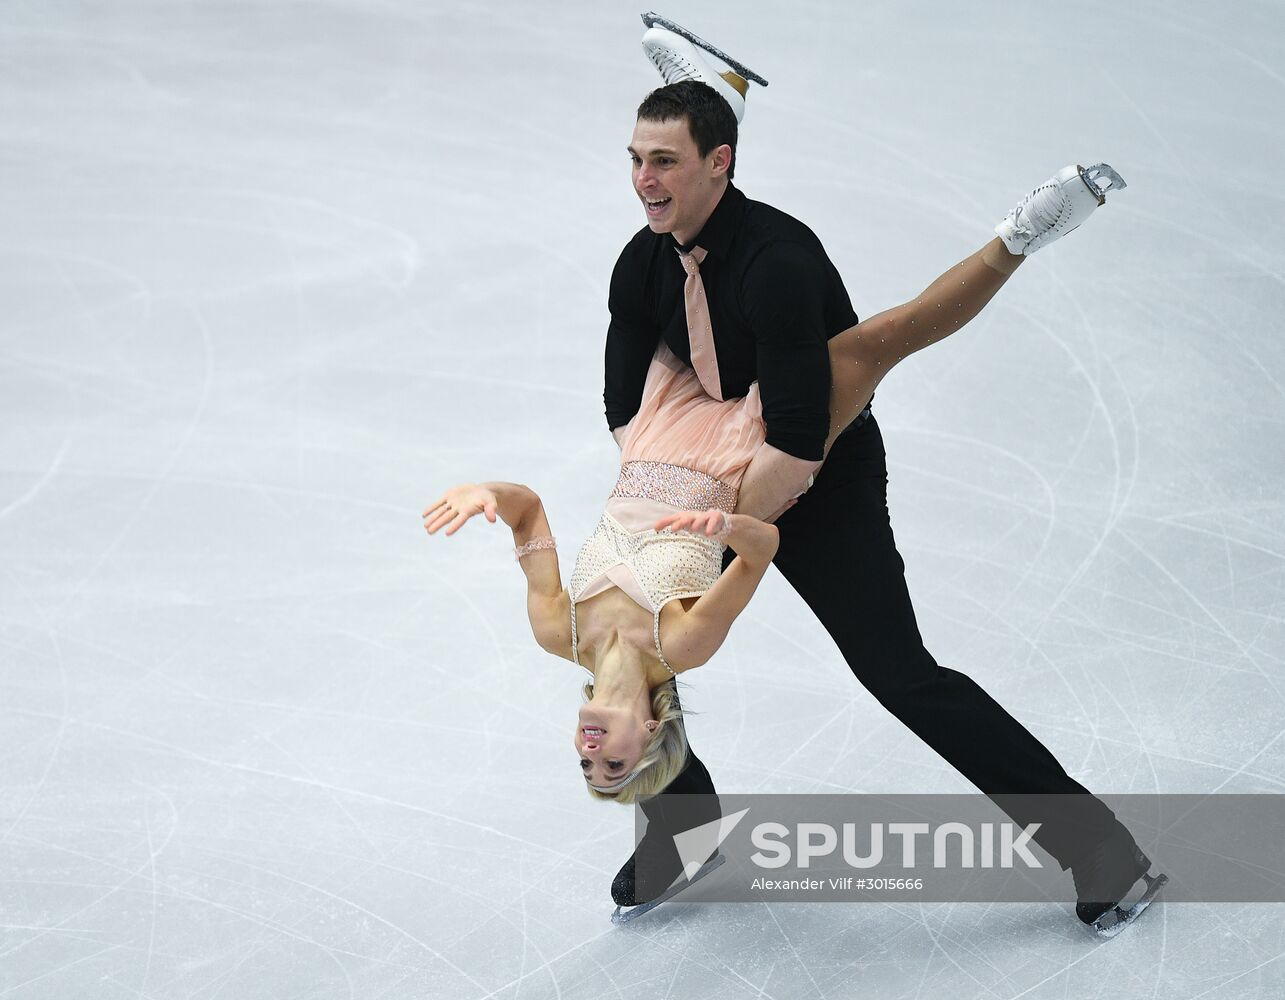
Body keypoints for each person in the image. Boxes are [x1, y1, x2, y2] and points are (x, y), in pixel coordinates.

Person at [589, 22, 1155, 935]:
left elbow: (802, 437)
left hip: (821, 470)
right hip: (711, 474)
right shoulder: (639, 264)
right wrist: (675, 502)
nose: (641, 182)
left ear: (719, 165)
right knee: (626, 657)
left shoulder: (778, 261)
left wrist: (726, 523)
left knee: (898, 673)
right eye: (635, 160)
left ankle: (1102, 851)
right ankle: (682, 831)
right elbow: (622, 403)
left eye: (663, 161)